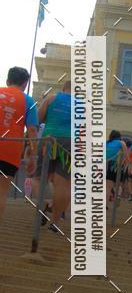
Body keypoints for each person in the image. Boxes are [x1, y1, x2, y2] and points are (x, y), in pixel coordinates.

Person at [0, 66, 38, 220]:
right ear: (25, 84)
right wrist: (32, 156)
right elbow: (32, 131)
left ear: (8, 80)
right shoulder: (29, 101)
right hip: (10, 151)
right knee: (2, 193)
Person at [36, 80, 73, 233]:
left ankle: (43, 204)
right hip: (71, 142)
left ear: (64, 88)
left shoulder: (51, 98)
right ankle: (55, 222)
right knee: (63, 184)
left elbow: (38, 118)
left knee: (38, 178)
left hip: (49, 139)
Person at [106, 130, 130, 207]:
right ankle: (118, 196)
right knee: (118, 184)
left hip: (107, 165)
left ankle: (105, 204)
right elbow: (126, 156)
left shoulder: (107, 143)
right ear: (119, 137)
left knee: (108, 186)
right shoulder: (122, 143)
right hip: (118, 165)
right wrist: (126, 166)